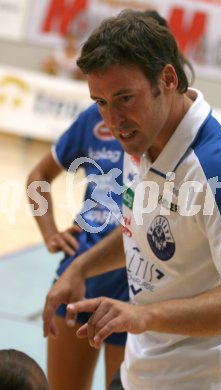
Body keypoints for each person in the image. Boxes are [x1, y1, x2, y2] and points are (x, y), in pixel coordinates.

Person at [42, 10, 221, 389]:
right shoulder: (145, 140)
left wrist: (146, 316)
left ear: (167, 79)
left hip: (199, 378)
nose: (113, 120)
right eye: (100, 102)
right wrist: (80, 268)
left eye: (124, 98)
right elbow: (145, 231)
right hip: (145, 368)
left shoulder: (220, 167)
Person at [26, 102, 128, 390]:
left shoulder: (161, 126)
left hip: (135, 282)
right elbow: (38, 177)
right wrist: (50, 234)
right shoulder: (91, 119)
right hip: (78, 276)